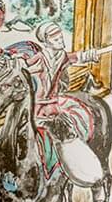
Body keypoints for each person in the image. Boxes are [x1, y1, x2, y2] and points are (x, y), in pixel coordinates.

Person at [23, 21, 103, 186]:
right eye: (55, 38)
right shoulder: (39, 59)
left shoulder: (61, 56)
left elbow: (77, 57)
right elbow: (23, 68)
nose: (60, 40)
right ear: (46, 41)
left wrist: (90, 54)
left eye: (60, 36)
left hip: (53, 107)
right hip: (35, 108)